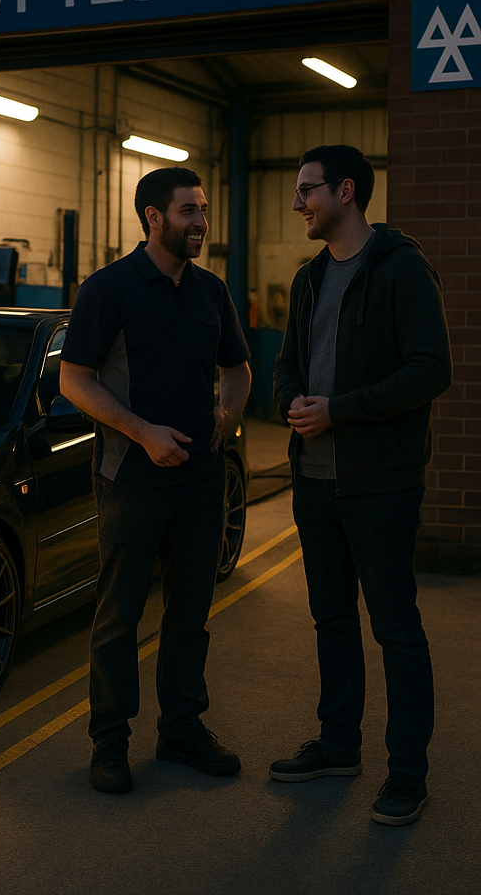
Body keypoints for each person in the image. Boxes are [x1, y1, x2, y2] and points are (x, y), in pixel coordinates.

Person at [270, 144, 452, 826]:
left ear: (345, 191)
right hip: (314, 482)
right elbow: (286, 366)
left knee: (395, 628)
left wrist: (339, 410)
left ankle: (407, 773)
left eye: (307, 190)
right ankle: (340, 745)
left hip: (380, 485)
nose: (298, 203)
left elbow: (430, 370)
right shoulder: (309, 280)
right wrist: (290, 403)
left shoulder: (402, 269)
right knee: (332, 619)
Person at [60, 165, 251, 794]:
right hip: (130, 478)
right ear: (153, 217)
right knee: (119, 615)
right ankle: (110, 743)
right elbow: (74, 379)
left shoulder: (210, 291)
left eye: (203, 210)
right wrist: (143, 433)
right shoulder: (108, 288)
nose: (201, 222)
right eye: (189, 211)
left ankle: (181, 732)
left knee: (190, 613)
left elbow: (238, 367)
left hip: (200, 481)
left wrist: (227, 416)